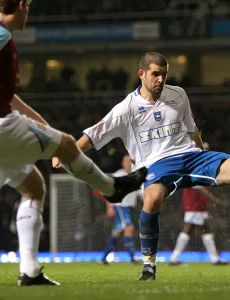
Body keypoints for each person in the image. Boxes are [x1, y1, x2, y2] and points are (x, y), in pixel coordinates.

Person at [0, 0, 146, 286]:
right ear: (21, 5)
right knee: (69, 145)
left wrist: (44, 125)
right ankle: (112, 188)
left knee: (33, 187)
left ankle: (29, 270)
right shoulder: (0, 33)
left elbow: (6, 96)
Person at [53, 52, 230, 281]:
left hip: (191, 156)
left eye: (164, 74)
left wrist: (202, 154)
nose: (161, 80)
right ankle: (148, 266)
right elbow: (93, 136)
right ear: (141, 74)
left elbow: (191, 129)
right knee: (152, 199)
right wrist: (67, 153)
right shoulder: (126, 109)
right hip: (157, 164)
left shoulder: (178, 94)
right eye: (155, 74)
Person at [170, 143, 227, 265]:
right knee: (189, 230)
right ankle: (174, 258)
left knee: (203, 230)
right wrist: (215, 200)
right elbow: (199, 187)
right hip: (194, 205)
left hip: (198, 206)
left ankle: (214, 259)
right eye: (205, 149)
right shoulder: (196, 163)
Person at [98, 155, 142, 265]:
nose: (126, 164)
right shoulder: (117, 176)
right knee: (129, 227)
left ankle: (103, 258)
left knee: (117, 233)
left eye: (128, 162)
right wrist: (109, 207)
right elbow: (105, 190)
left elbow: (141, 195)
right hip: (120, 206)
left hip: (129, 208)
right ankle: (132, 258)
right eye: (125, 162)